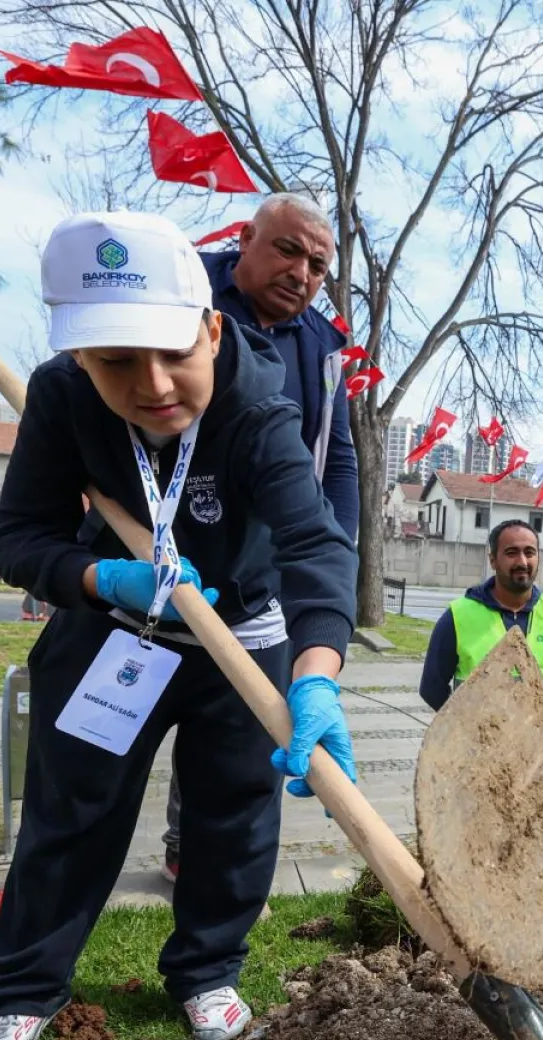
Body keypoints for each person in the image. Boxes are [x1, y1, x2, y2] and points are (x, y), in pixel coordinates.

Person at [0, 210, 358, 1040]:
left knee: (235, 818)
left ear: (212, 328)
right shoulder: (64, 400)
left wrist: (318, 674)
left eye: (175, 353)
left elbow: (316, 546)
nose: (153, 385)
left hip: (240, 633)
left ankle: (208, 970)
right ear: (79, 358)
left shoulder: (258, 406)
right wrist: (102, 579)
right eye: (116, 360)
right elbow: (19, 537)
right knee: (73, 811)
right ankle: (22, 990)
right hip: (113, 630)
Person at [161, 194, 361, 883]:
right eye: (287, 249)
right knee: (117, 727)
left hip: (262, 568)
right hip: (161, 551)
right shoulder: (180, 297)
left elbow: (334, 457)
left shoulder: (322, 345)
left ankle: (204, 864)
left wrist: (334, 551)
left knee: (245, 723)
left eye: (318, 263)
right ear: (244, 240)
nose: (302, 272)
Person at [419, 519, 543, 711]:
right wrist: (464, 726)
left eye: (529, 552)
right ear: (493, 560)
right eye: (511, 553)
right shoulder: (458, 616)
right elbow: (431, 689)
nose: (522, 561)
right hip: (479, 739)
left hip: (540, 738)